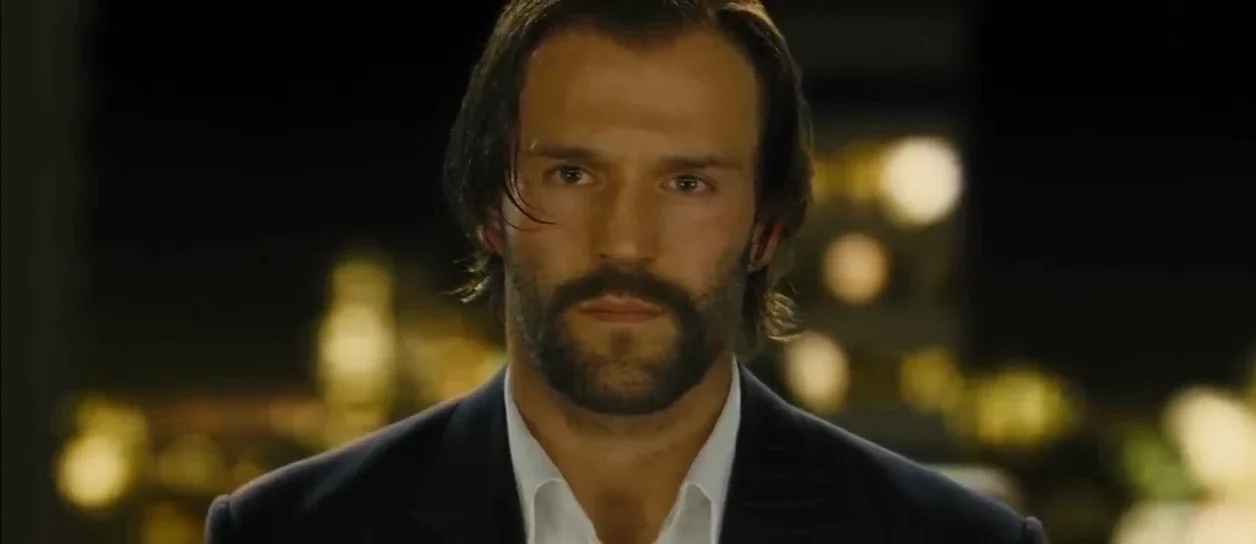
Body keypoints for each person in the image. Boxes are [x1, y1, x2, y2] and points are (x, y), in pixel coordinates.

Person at [205, 1, 1048, 543]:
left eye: (687, 184)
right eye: (573, 174)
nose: (625, 242)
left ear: (766, 229)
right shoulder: (289, 533)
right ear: (489, 207)